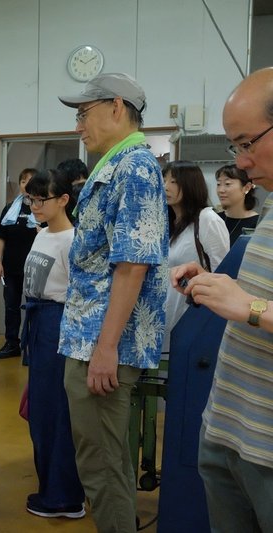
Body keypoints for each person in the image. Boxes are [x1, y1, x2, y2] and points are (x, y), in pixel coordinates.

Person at [57, 73, 169, 533]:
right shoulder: (115, 165)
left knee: (102, 468)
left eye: (84, 114)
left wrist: (106, 348)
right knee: (105, 462)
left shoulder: (135, 168)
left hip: (101, 346)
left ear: (116, 107)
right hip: (89, 338)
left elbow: (132, 266)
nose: (79, 126)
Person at [171, 67, 273, 532]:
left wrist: (250, 308)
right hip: (229, 425)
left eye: (248, 143)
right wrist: (214, 283)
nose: (242, 162)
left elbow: (256, 307)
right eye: (236, 146)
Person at [20, 169, 85, 519]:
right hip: (38, 324)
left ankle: (64, 497)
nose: (35, 206)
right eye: (31, 199)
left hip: (59, 326)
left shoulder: (74, 240)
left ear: (63, 200)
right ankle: (51, 488)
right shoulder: (41, 234)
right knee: (41, 413)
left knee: (58, 413)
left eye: (41, 199)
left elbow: (76, 294)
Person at [163, 161, 229, 351]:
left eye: (174, 181)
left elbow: (222, 274)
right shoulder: (167, 223)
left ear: (190, 185)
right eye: (164, 180)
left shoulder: (207, 219)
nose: (166, 187)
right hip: (164, 315)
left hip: (191, 315)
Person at [0, 168, 38, 359]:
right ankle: (12, 343)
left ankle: (32, 347)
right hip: (11, 268)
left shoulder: (42, 209)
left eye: (31, 181)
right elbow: (0, 237)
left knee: (33, 308)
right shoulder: (10, 209)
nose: (27, 185)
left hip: (35, 269)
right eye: (23, 181)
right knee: (11, 306)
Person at [215, 164, 259, 246]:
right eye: (218, 184)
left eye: (227, 184)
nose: (221, 190)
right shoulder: (214, 219)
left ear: (246, 188)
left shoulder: (258, 224)